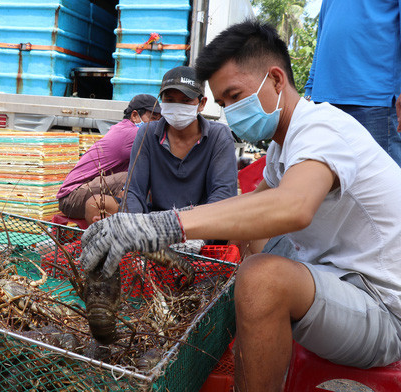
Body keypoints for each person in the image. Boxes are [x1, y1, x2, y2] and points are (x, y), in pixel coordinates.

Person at [80, 20, 401, 392]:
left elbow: (293, 207)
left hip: (383, 308)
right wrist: (163, 235)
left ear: (276, 80)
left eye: (236, 96)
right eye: (223, 103)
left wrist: (162, 226)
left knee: (260, 278)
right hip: (336, 275)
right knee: (252, 247)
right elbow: (250, 207)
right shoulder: (284, 145)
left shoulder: (322, 130)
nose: (231, 112)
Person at [123, 66, 238, 215]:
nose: (177, 106)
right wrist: (134, 227)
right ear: (161, 102)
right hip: (156, 223)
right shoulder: (147, 133)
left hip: (203, 225)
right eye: (170, 100)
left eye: (186, 101)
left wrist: (188, 229)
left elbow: (223, 194)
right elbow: (134, 191)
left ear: (201, 103)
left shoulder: (218, 136)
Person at [304, 0, 401, 166]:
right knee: (333, 190)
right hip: (323, 103)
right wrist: (310, 89)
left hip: (375, 102)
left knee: (380, 189)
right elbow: (323, 33)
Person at [57, 94, 161, 223]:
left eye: (159, 120)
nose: (157, 124)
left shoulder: (125, 129)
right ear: (134, 116)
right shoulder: (132, 133)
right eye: (153, 118)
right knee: (131, 178)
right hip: (72, 198)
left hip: (81, 194)